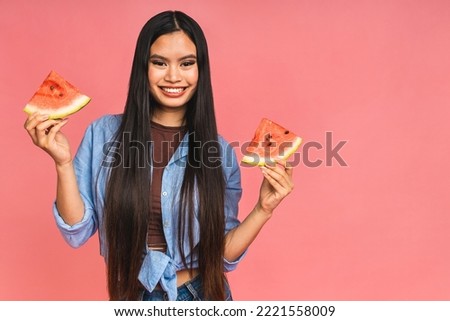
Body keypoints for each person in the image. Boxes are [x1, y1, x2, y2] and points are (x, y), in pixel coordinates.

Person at [24, 10, 294, 301]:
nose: (174, 76)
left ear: (200, 70)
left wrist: (263, 209)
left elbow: (221, 254)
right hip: (131, 296)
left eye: (187, 63)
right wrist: (62, 163)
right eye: (159, 63)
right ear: (144, 67)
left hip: (202, 294)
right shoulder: (103, 133)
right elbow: (76, 230)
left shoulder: (219, 152)